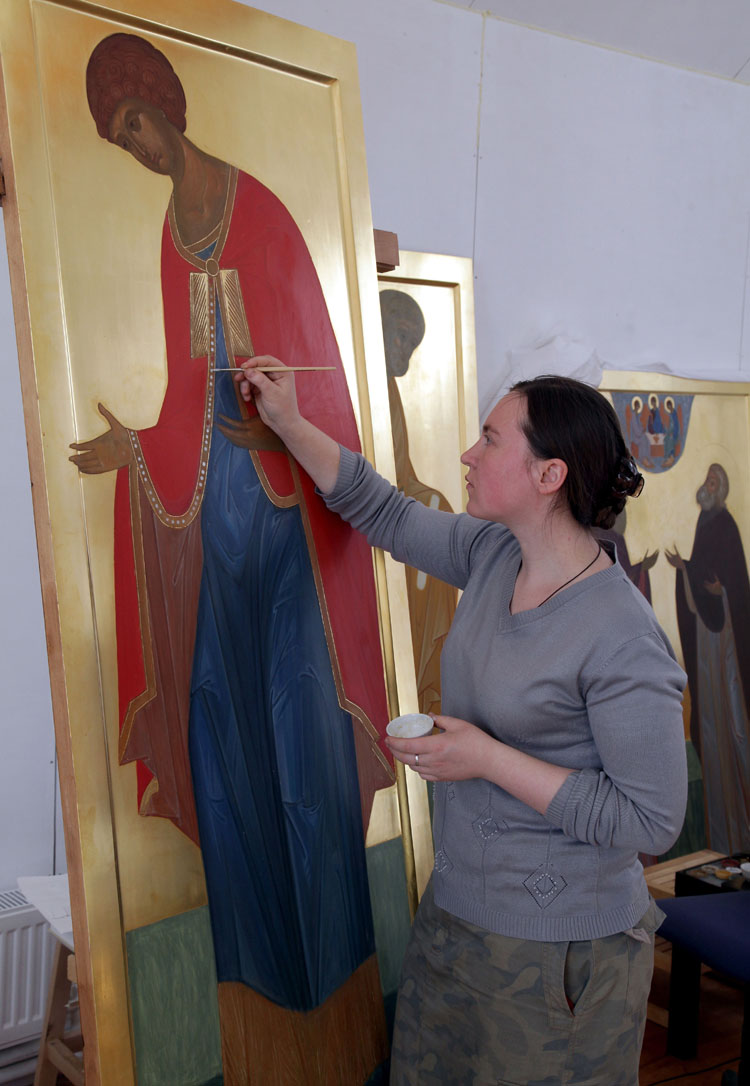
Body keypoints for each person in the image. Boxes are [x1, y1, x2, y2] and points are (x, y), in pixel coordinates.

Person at [70, 32, 392, 1074]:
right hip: (217, 522)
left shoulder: (262, 213)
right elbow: (186, 396)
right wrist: (138, 449)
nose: (138, 147)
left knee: (301, 734)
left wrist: (277, 424)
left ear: (166, 105)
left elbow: (318, 379)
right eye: (120, 140)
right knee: (220, 733)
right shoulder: (173, 234)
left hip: (287, 526)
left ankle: (334, 991)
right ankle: (254, 998)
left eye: (136, 123)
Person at [234, 359, 688, 1085]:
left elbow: (650, 820)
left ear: (549, 476)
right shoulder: (492, 555)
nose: (469, 455)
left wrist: (487, 759)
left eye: (491, 439)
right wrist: (285, 419)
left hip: (562, 951)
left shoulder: (621, 635)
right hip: (456, 918)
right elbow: (381, 510)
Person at [666, 463, 750, 854]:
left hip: (726, 638)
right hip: (705, 635)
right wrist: (684, 569)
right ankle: (723, 836)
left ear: (722, 489)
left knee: (734, 722)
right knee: (713, 723)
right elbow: (701, 570)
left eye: (714, 481)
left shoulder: (727, 525)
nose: (707, 485)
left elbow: (737, 584)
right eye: (707, 479)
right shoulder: (704, 522)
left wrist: (723, 592)